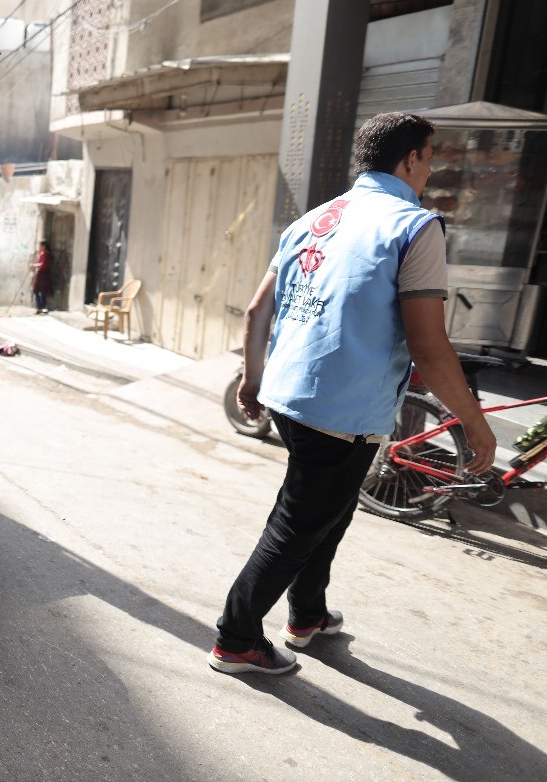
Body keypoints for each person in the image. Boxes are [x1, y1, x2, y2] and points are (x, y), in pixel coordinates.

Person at [208, 112, 496, 675]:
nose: (431, 169)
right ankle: (236, 637)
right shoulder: (415, 226)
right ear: (410, 158)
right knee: (296, 525)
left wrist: (251, 377)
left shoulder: (313, 219)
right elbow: (430, 347)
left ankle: (307, 616)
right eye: (430, 157)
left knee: (328, 511)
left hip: (291, 397)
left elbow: (256, 309)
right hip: (343, 409)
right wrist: (475, 423)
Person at [31, 240, 52, 314]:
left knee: (38, 291)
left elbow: (42, 264)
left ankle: (40, 307)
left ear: (43, 247)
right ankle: (42, 307)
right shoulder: (44, 254)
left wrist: (34, 265)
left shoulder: (44, 254)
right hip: (43, 274)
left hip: (42, 275)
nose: (39, 247)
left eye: (40, 246)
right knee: (42, 291)